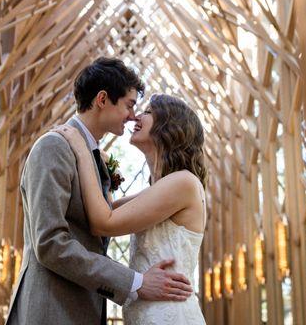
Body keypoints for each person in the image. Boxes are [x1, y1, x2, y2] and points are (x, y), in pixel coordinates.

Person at [5, 58, 194, 325]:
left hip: (80, 309)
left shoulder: (91, 157)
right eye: (129, 105)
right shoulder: (54, 147)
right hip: (52, 310)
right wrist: (135, 282)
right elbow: (49, 243)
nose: (132, 116)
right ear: (103, 99)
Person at [54, 93, 207, 324]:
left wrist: (82, 150)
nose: (136, 116)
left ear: (168, 125)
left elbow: (103, 223)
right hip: (146, 312)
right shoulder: (164, 188)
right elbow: (108, 209)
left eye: (147, 112)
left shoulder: (183, 182)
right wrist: (106, 172)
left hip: (170, 316)